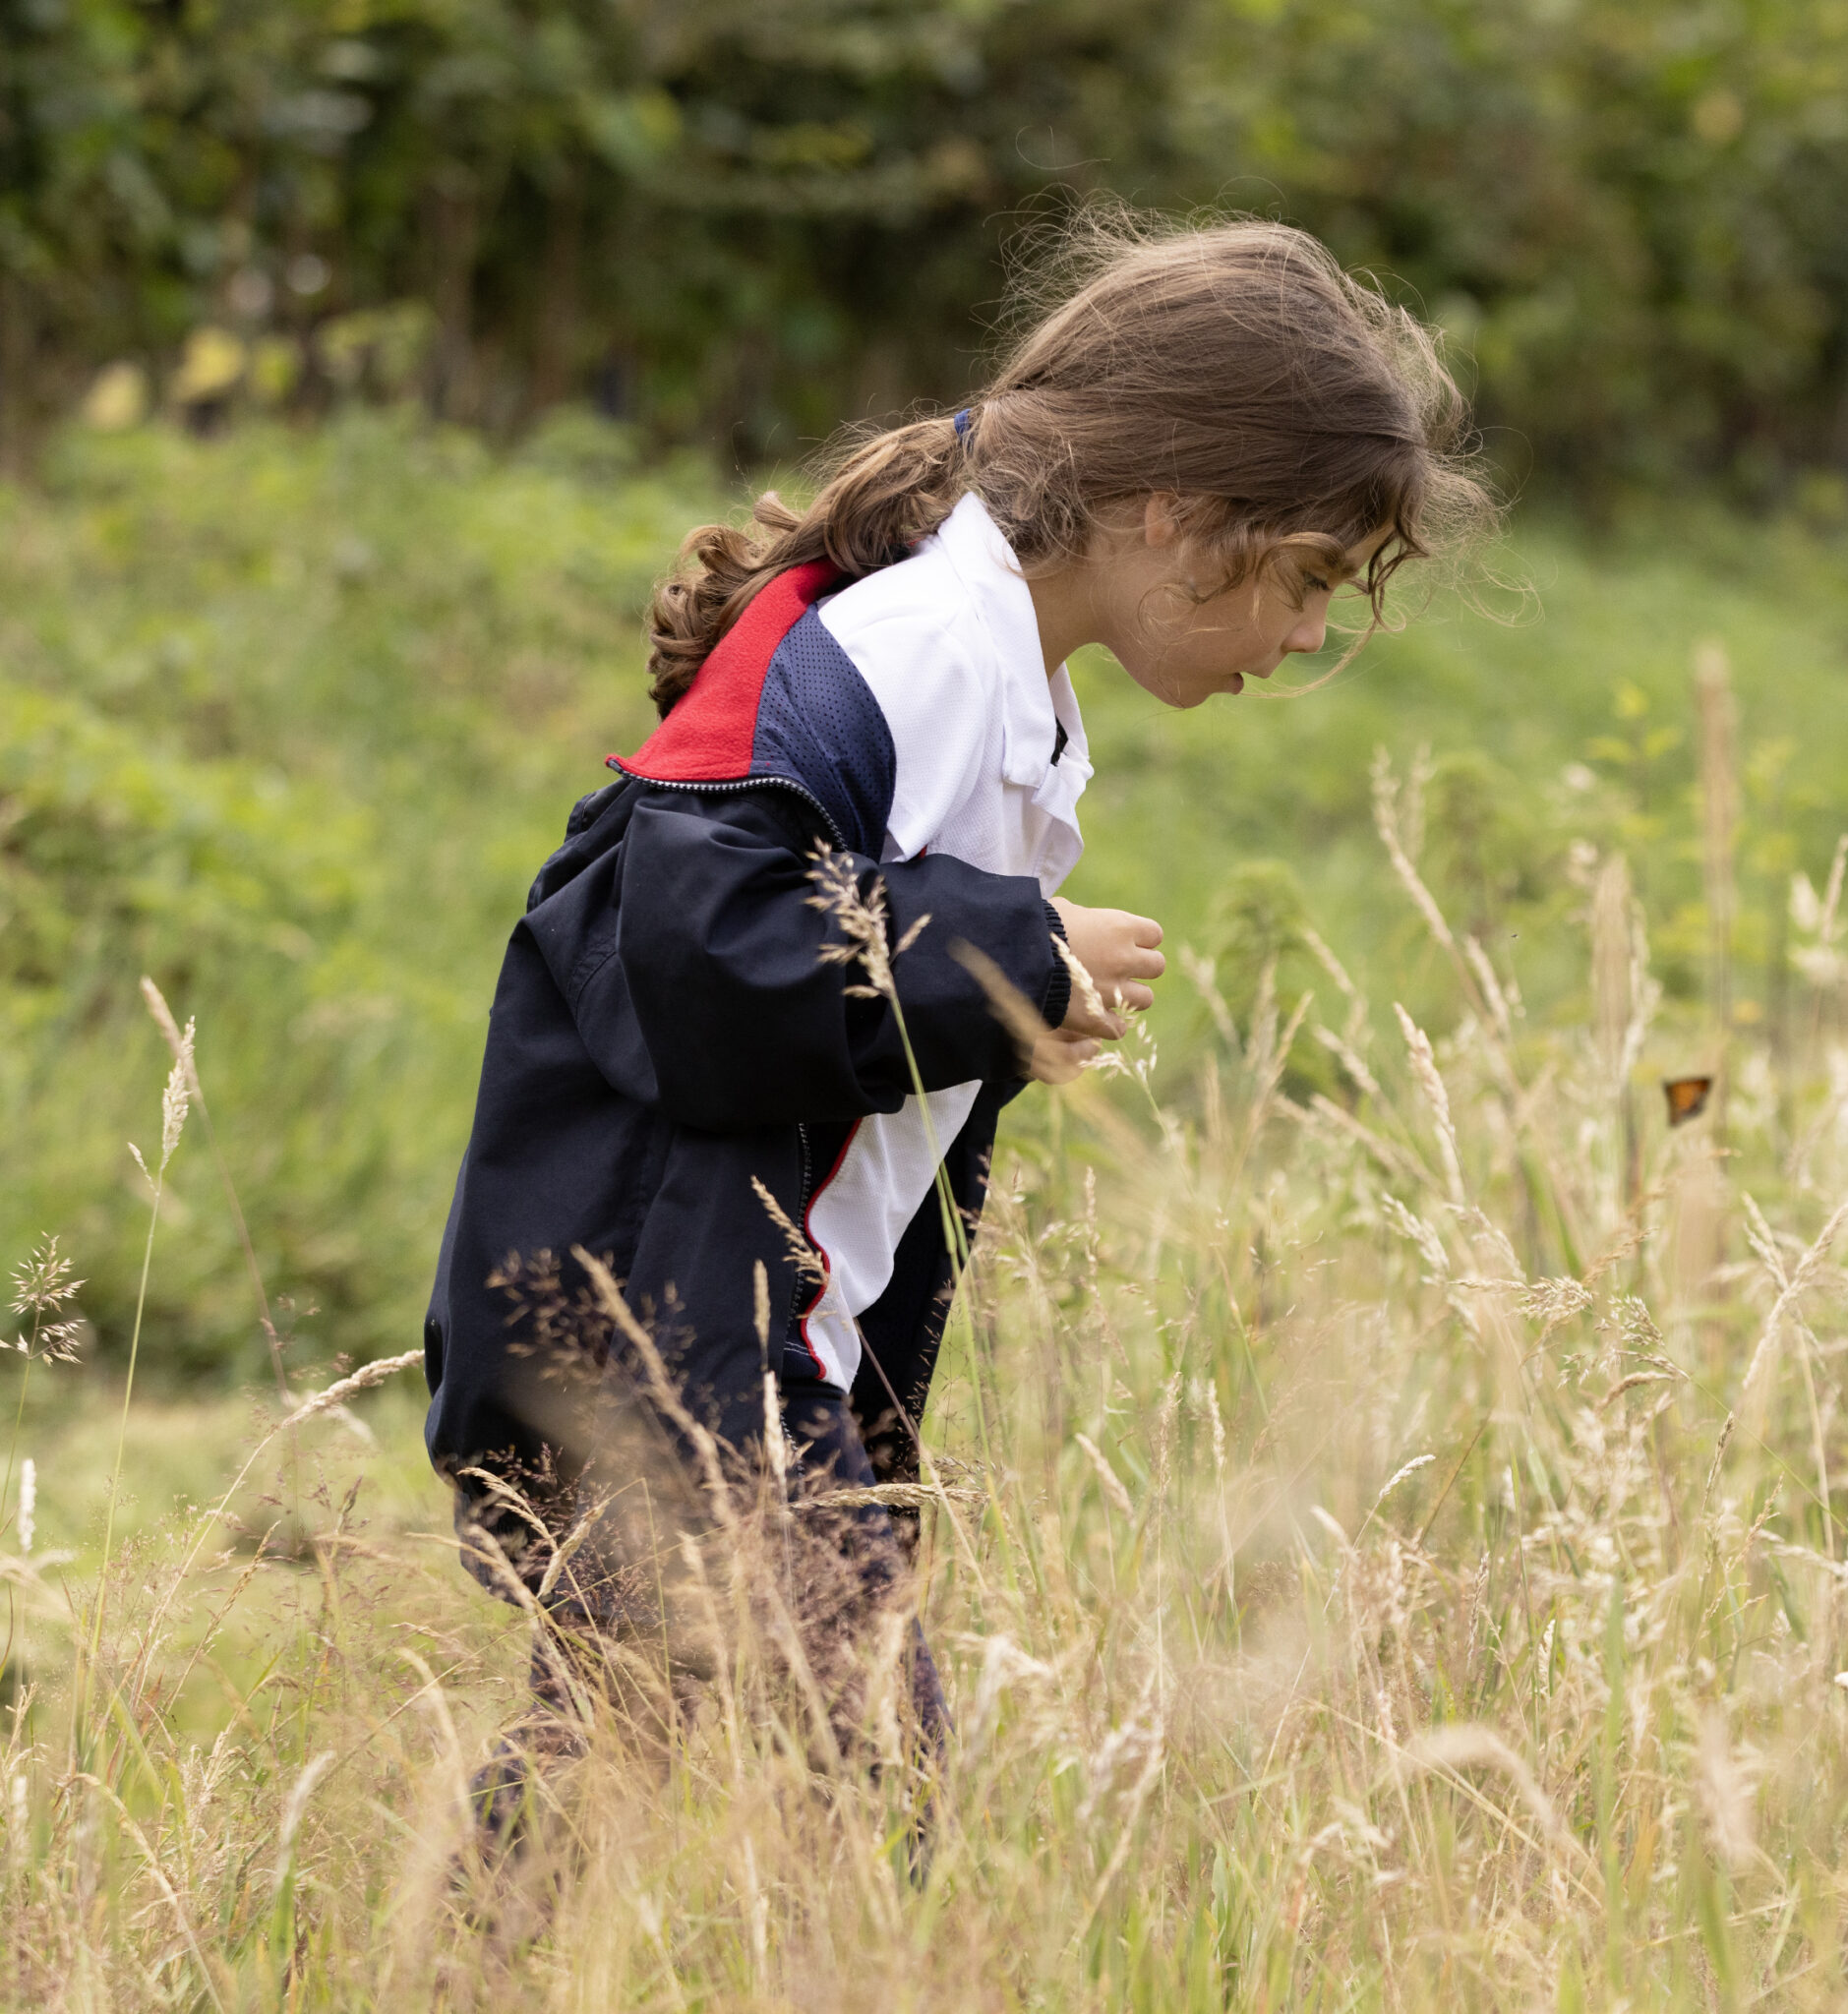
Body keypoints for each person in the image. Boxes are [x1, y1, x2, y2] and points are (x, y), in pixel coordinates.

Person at [419, 208, 1491, 1840]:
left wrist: (997, 1007)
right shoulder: (923, 650)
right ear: (1178, 512)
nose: (1306, 637)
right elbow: (705, 951)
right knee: (881, 1799)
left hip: (735, 1339)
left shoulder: (1008, 683)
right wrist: (1008, 958)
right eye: (1309, 578)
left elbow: (822, 1001)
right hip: (667, 1342)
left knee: (601, 1768)